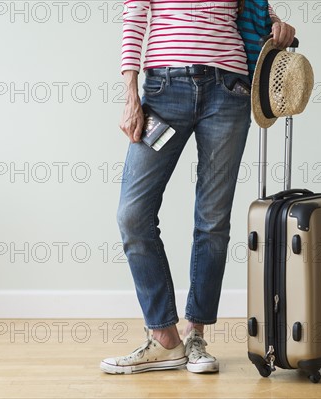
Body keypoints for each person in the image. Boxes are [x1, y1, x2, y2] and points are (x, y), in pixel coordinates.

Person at [100, 0, 295, 375]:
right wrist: (130, 94)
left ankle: (195, 333)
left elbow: (256, 10)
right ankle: (164, 338)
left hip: (230, 89)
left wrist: (278, 24)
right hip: (163, 88)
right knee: (132, 215)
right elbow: (135, 16)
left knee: (213, 221)